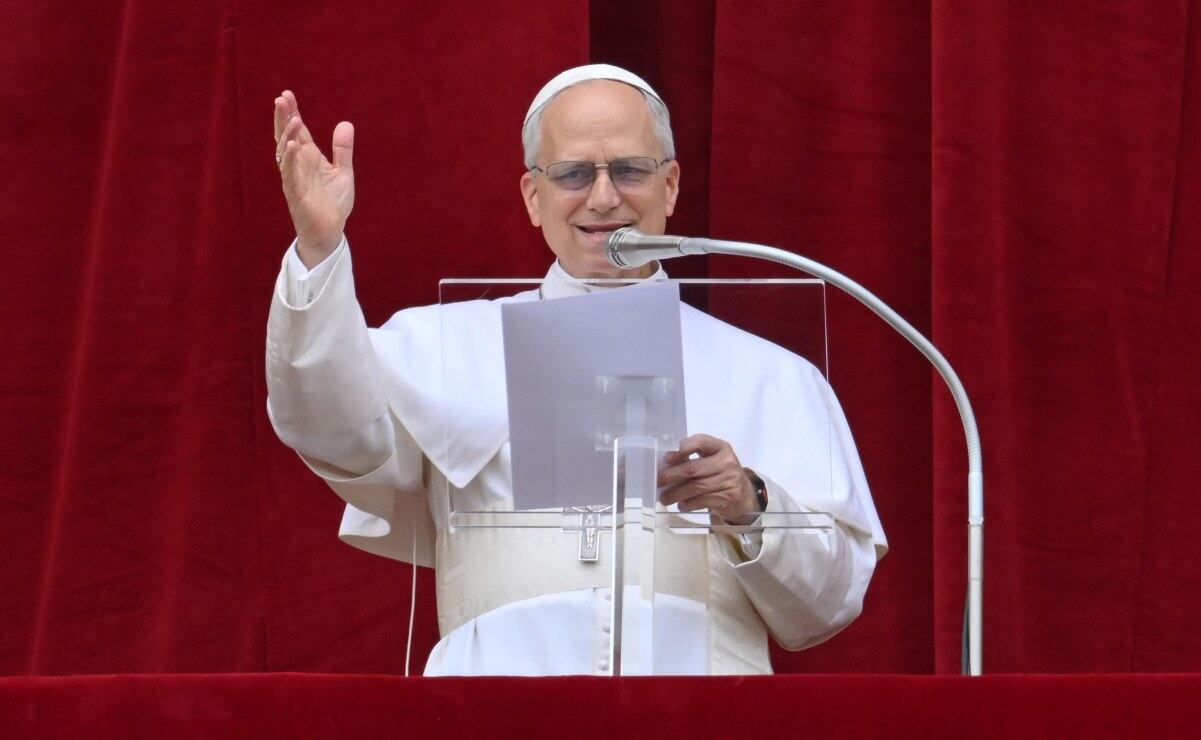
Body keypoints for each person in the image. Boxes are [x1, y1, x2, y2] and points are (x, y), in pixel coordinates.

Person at [266, 64, 887, 676]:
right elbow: (326, 426)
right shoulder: (444, 345)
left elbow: (829, 604)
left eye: (630, 170)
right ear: (533, 198)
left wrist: (749, 505)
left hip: (699, 710)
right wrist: (319, 249)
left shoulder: (769, 376)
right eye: (572, 174)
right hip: (493, 709)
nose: (604, 197)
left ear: (670, 185)